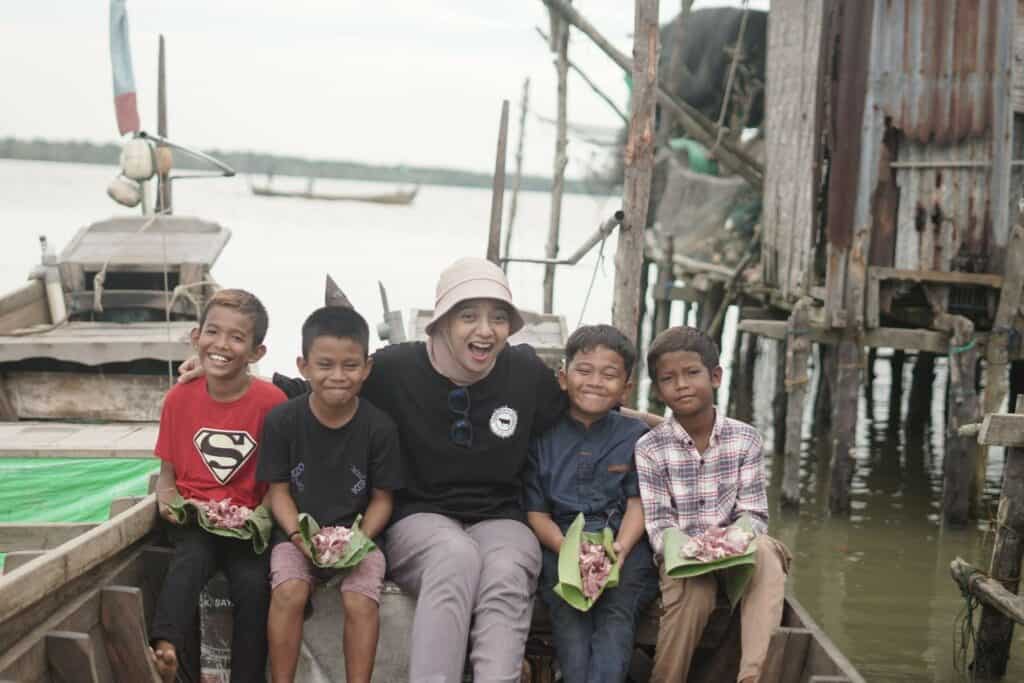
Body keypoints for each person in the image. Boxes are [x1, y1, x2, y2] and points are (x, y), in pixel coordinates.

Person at [635, 326, 791, 683]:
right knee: (694, 594)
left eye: (692, 373)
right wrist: (691, 551)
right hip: (684, 556)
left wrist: (731, 541)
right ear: (658, 390)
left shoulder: (745, 438)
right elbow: (659, 524)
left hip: (737, 550)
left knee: (768, 553)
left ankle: (752, 677)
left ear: (716, 376)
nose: (682, 384)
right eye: (668, 378)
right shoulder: (650, 448)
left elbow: (754, 513)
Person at [257, 306, 402, 683]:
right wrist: (297, 537)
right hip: (296, 533)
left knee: (360, 596)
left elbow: (383, 499)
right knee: (289, 590)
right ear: (303, 365)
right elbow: (278, 493)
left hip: (360, 536)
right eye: (325, 364)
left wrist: (358, 539)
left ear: (367, 368)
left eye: (350, 365)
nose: (338, 376)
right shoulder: (282, 422)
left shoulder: (379, 428)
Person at [151, 289, 287, 683]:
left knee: (252, 584)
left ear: (257, 352)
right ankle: (166, 645)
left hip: (248, 526)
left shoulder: (272, 403)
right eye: (213, 332)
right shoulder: (179, 399)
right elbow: (167, 476)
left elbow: (274, 485)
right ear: (196, 337)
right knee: (190, 559)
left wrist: (256, 518)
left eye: (237, 337)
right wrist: (171, 505)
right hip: (194, 518)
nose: (221, 345)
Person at [523, 324, 659, 683]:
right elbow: (536, 512)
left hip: (624, 547)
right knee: (571, 624)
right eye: (584, 371)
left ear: (626, 389)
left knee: (615, 619)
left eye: (609, 374)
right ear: (563, 378)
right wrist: (570, 549)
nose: (596, 382)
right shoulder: (542, 437)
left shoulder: (636, 437)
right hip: (561, 542)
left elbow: (638, 504)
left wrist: (620, 548)